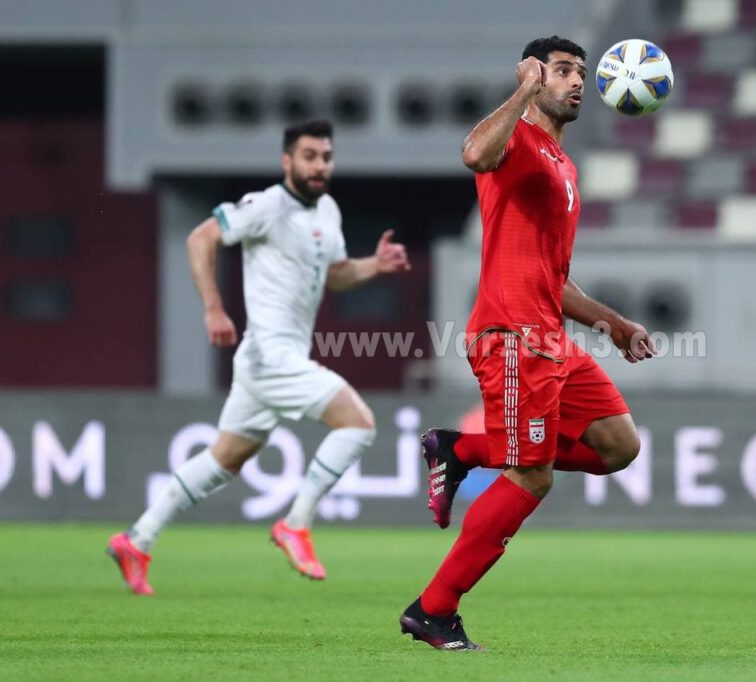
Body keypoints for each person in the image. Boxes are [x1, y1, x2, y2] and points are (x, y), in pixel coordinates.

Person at [398, 36, 654, 651]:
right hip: (511, 336)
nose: (575, 82)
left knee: (619, 446)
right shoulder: (514, 142)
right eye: (562, 71)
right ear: (537, 77)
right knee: (531, 476)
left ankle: (461, 450)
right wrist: (520, 89)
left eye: (580, 74)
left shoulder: (565, 166)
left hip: (551, 339)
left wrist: (609, 322)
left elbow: (554, 279)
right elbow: (471, 153)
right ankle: (433, 610)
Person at [106, 120, 411, 595]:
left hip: (266, 360)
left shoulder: (327, 209)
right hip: (271, 353)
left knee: (226, 458)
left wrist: (376, 265)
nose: (319, 165)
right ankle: (296, 523)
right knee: (359, 424)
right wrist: (213, 308)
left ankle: (136, 539)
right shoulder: (266, 205)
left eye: (326, 157)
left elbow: (336, 274)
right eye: (309, 156)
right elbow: (200, 238)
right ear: (287, 161)